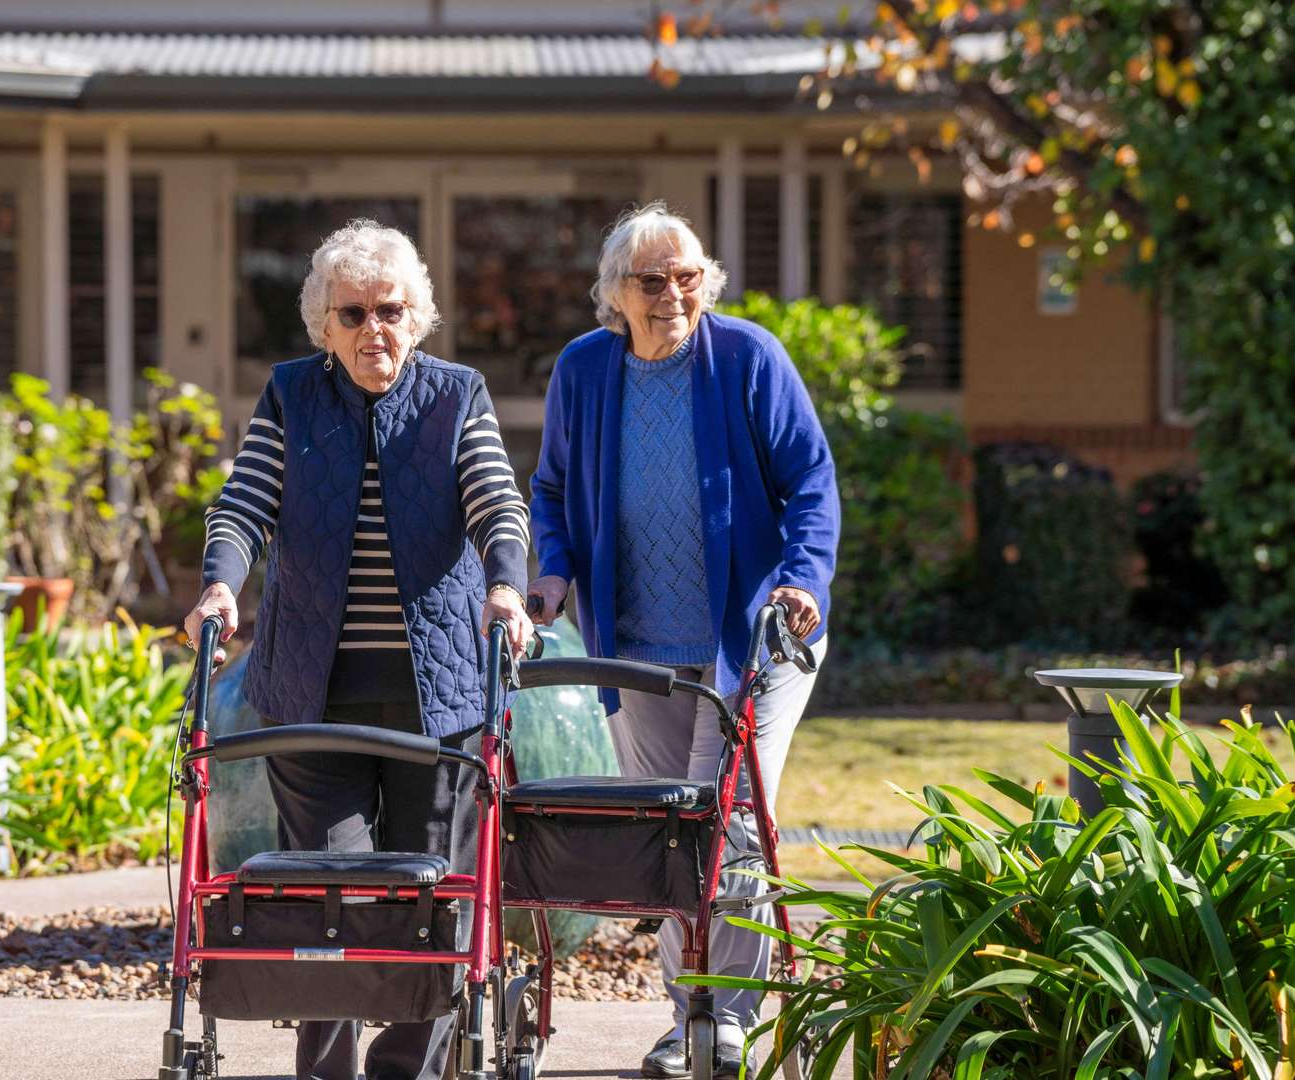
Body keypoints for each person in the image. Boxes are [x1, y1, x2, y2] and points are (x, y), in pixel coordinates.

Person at [183, 220, 534, 1080]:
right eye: (354, 314)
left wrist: (505, 584)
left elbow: (498, 503)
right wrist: (221, 586)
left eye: (392, 310)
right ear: (324, 327)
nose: (375, 329)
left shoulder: (459, 395)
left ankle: (408, 1064)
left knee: (430, 897)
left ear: (418, 316)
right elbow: (243, 505)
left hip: (440, 699)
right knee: (327, 902)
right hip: (313, 692)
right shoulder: (292, 395)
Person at [526, 202, 839, 1079]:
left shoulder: (746, 357)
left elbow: (810, 479)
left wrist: (802, 580)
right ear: (614, 294)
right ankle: (688, 1015)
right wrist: (552, 575)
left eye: (688, 277)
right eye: (651, 281)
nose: (672, 295)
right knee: (668, 834)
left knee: (724, 817)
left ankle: (717, 1020)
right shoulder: (585, 370)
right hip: (637, 646)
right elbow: (549, 488)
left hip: (754, 640)